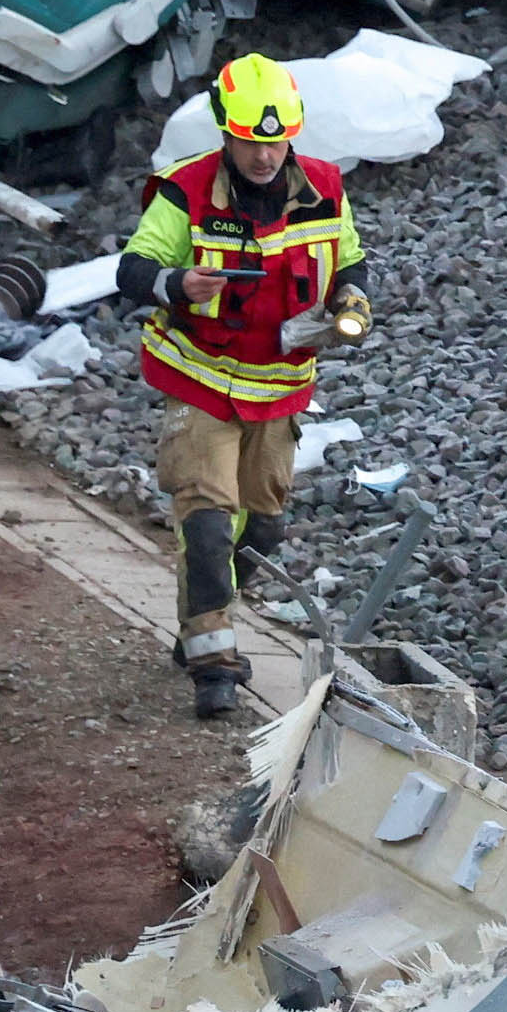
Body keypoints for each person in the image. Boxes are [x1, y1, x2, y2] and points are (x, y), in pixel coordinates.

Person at [118, 52, 362, 716]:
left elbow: (352, 265)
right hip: (202, 381)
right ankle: (214, 665)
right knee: (206, 523)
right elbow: (133, 269)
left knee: (265, 529)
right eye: (253, 142)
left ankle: (202, 621)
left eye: (277, 140)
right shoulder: (184, 192)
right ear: (226, 132)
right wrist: (178, 284)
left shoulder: (324, 188)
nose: (265, 156)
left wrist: (354, 304)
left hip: (279, 387)